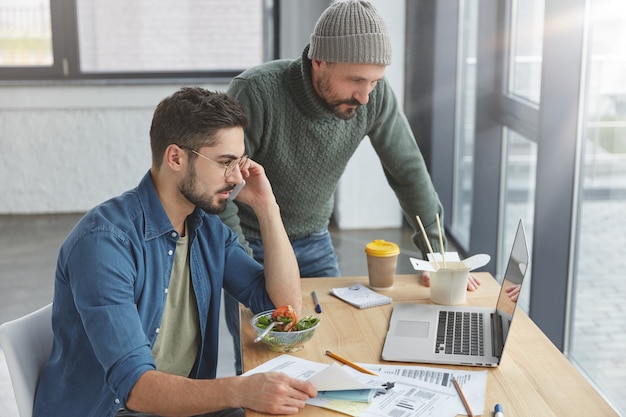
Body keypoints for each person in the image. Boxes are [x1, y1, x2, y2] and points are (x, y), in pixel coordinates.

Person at [220, 0, 480, 374]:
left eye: (374, 81)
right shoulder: (256, 92)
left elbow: (408, 171)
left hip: (312, 240)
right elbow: (222, 187)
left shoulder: (374, 99)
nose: (365, 95)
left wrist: (439, 257)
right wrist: (241, 264)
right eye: (356, 80)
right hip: (249, 241)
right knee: (264, 360)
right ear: (319, 61)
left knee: (334, 344)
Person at [33, 87, 316, 417]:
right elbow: (135, 387)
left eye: (239, 162)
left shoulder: (205, 228)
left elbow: (283, 310)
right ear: (176, 158)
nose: (237, 177)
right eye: (225, 162)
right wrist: (240, 389)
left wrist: (268, 208)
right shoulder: (104, 243)